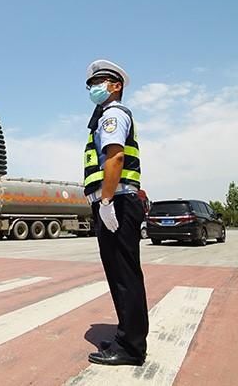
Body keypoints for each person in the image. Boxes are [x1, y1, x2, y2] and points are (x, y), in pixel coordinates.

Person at [83, 59, 149, 366]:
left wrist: (107, 202)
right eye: (91, 85)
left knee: (124, 276)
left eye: (99, 83)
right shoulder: (103, 116)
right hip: (115, 202)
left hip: (118, 203)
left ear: (115, 86)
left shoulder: (113, 115)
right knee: (119, 274)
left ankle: (131, 347)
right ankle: (127, 337)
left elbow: (116, 157)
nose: (93, 88)